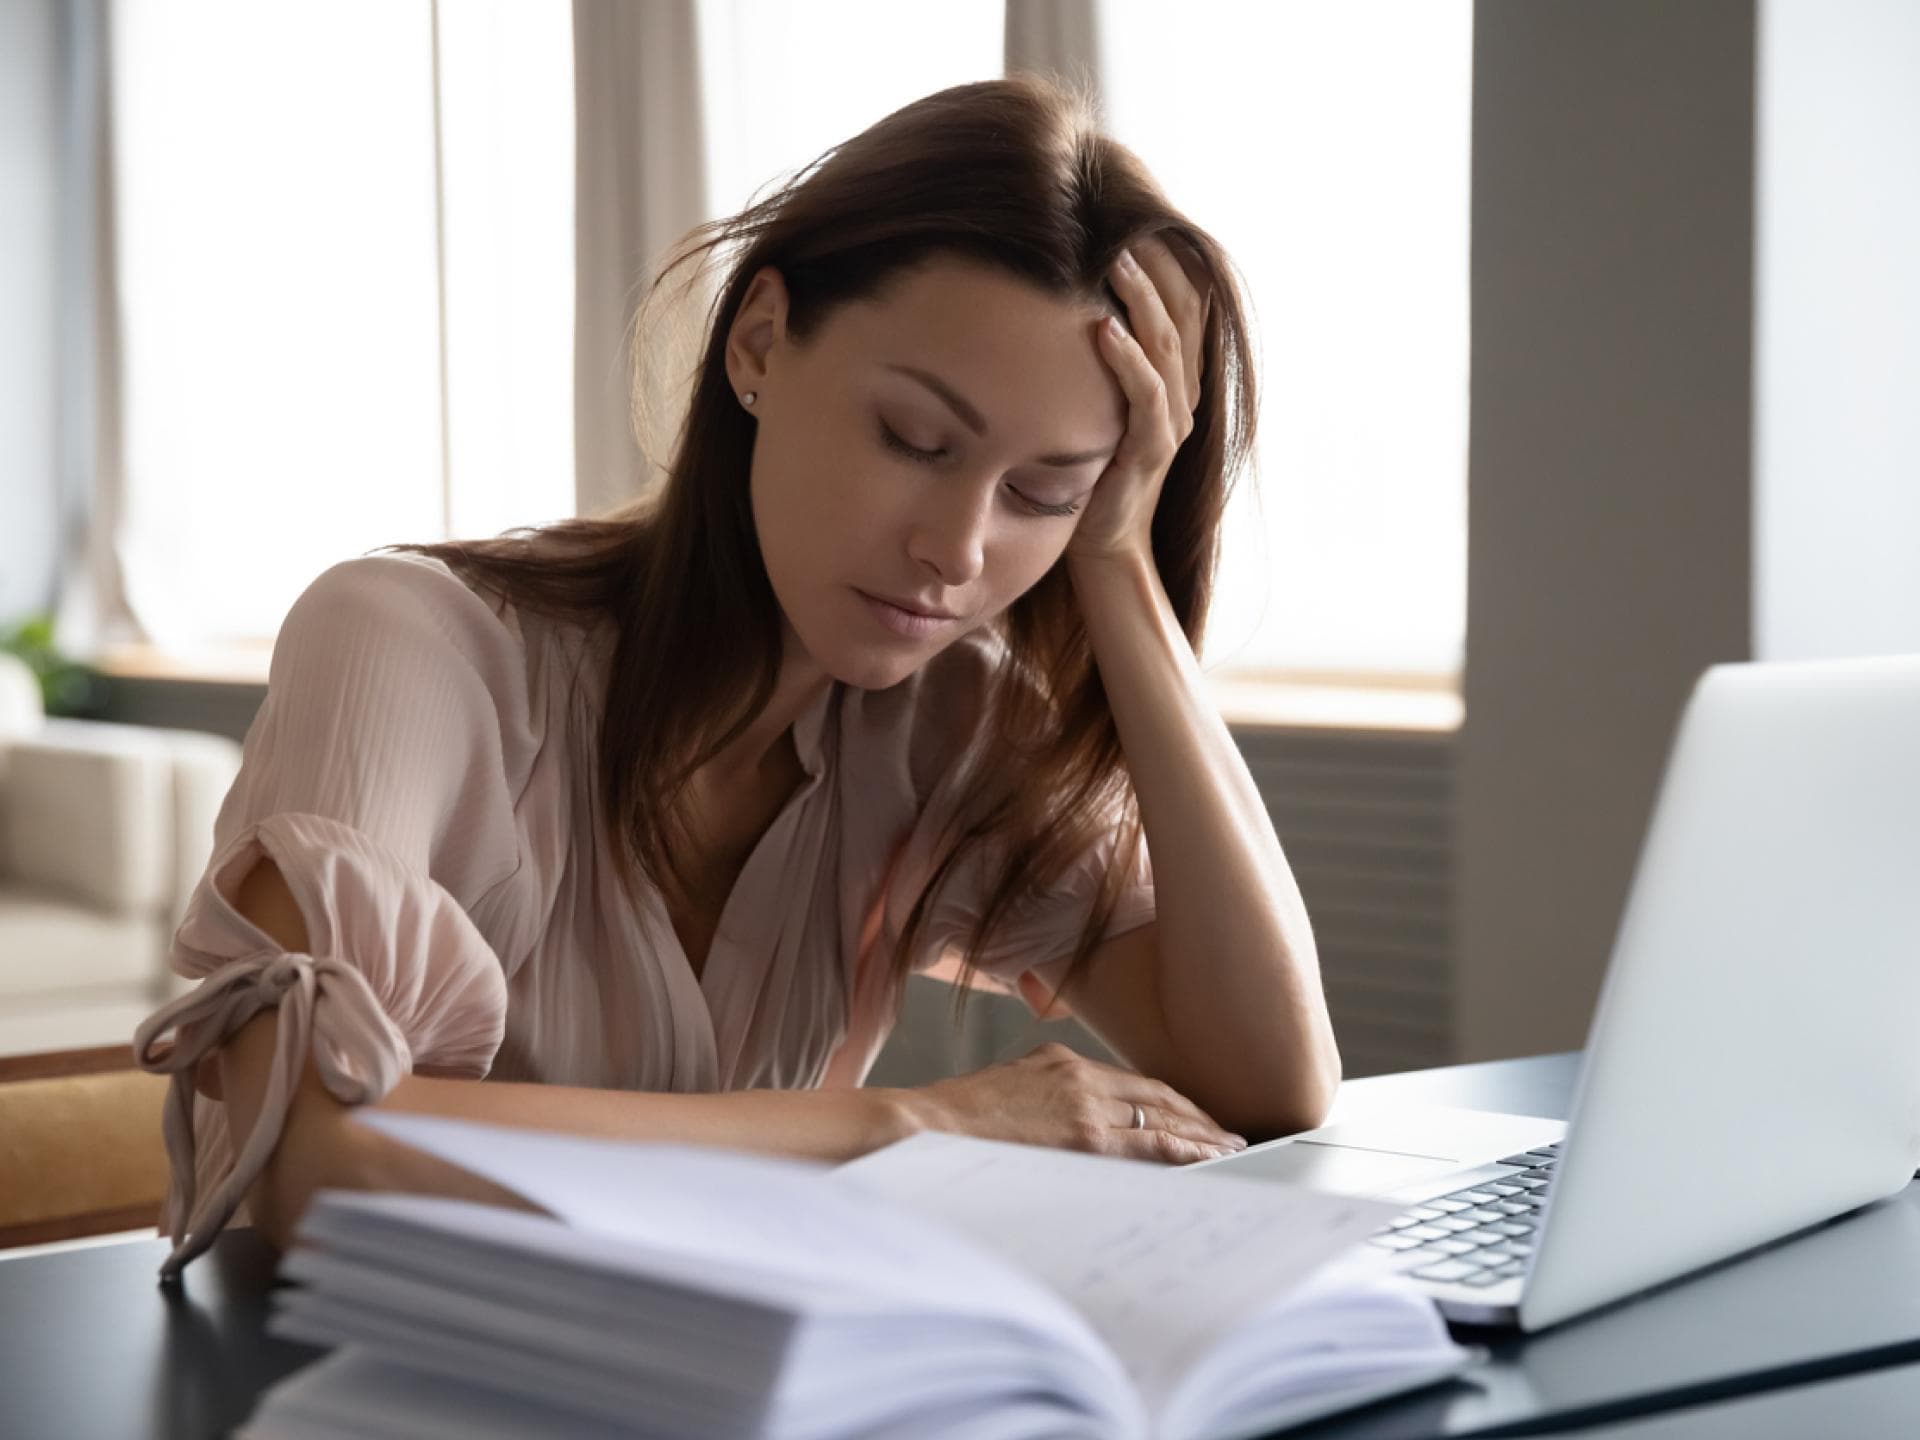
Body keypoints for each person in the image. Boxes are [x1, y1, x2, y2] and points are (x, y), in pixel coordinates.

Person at [133, 73, 1339, 1283]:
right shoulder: (409, 646)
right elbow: (313, 1155)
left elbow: (1272, 1081)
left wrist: (1119, 564)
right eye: (916, 441)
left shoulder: (947, 722)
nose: (960, 551)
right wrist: (906, 1126)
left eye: (1044, 493)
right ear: (759, 343)